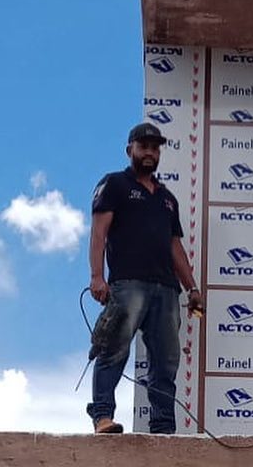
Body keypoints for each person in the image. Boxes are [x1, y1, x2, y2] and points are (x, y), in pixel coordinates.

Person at [87, 121, 204, 435]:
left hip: (166, 289)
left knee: (166, 362)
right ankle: (102, 416)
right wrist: (97, 276)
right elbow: (99, 233)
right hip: (128, 284)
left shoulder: (167, 199)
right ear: (130, 150)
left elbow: (174, 245)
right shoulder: (114, 185)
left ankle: (163, 427)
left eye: (155, 147)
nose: (150, 152)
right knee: (114, 348)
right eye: (143, 146)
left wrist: (191, 286)